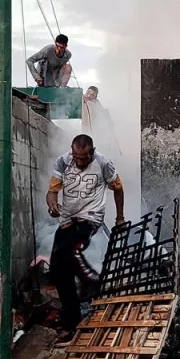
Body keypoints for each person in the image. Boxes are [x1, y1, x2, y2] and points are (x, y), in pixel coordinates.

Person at [47, 135, 125, 338]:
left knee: (69, 248)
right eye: (76, 157)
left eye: (84, 158)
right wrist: (52, 204)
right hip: (67, 219)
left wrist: (119, 218)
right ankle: (71, 319)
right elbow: (52, 191)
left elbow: (118, 188)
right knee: (58, 269)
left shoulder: (103, 163)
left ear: (92, 151)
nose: (79, 162)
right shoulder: (63, 162)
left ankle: (91, 280)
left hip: (89, 218)